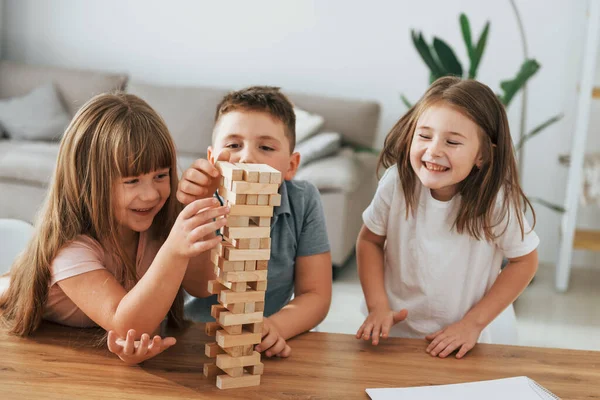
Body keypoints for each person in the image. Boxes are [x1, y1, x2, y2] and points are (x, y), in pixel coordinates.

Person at [0, 92, 228, 364]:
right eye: (132, 181)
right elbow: (129, 322)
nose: (150, 195)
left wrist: (200, 208)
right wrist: (174, 251)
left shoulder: (156, 228)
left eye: (160, 176)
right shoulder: (69, 248)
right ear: (88, 182)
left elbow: (201, 286)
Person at [356, 76, 539, 359]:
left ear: (482, 156)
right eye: (425, 135)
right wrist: (377, 306)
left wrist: (473, 323)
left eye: (452, 141)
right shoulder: (396, 183)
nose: (433, 150)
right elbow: (369, 242)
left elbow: (525, 260)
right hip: (395, 332)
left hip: (467, 338)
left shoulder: (496, 199)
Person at [177, 86, 332, 358]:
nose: (247, 157)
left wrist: (275, 327)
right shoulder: (198, 201)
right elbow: (198, 288)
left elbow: (316, 294)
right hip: (194, 339)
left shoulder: (303, 200)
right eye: (234, 145)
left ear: (291, 166)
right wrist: (197, 209)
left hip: (265, 345)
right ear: (213, 159)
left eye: (266, 147)